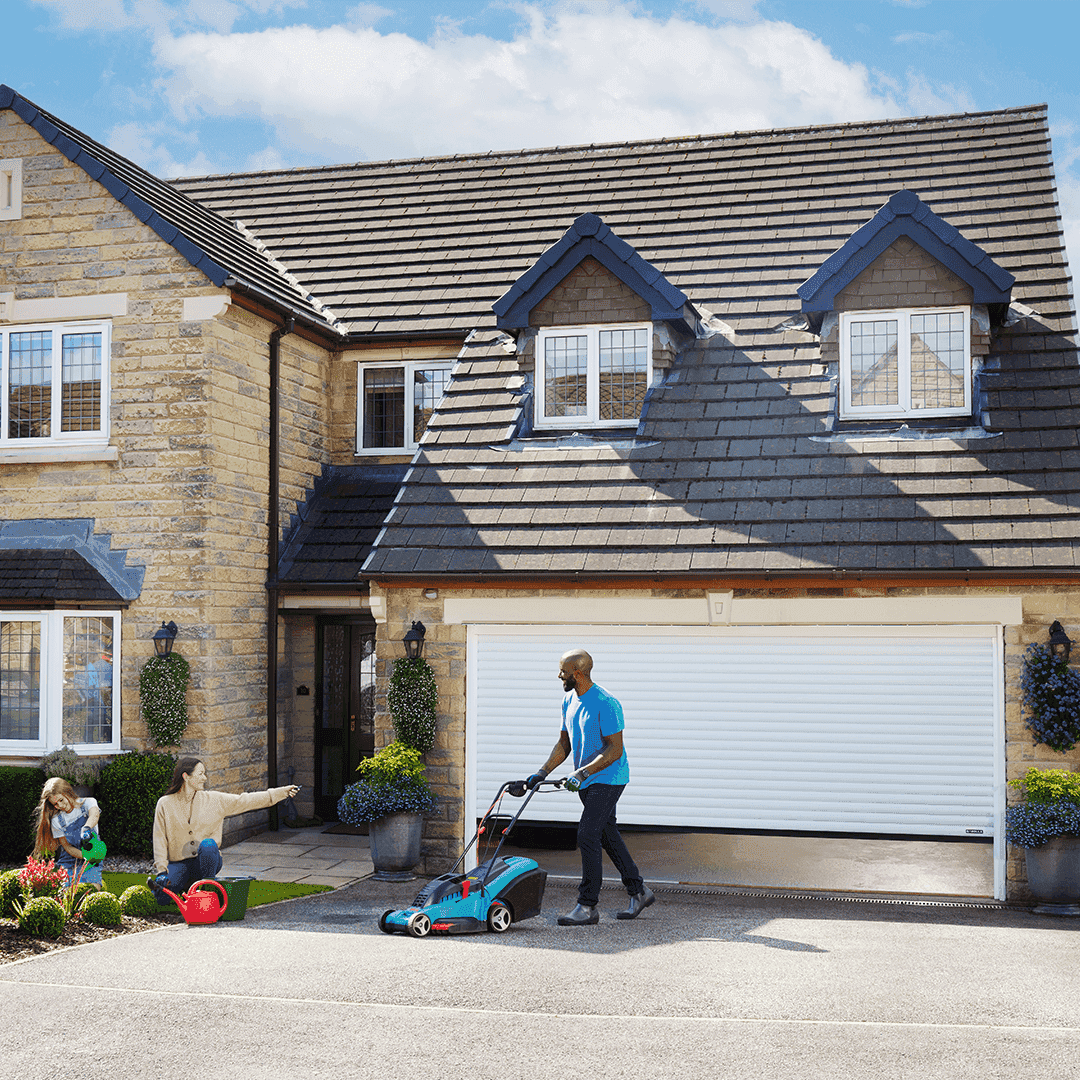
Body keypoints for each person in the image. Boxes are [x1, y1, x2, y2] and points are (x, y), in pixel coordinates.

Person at [526, 649, 655, 925]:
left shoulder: (606, 703)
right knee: (607, 836)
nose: (558, 675)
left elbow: (614, 750)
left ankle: (587, 906)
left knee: (587, 834)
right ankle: (639, 890)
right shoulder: (568, 700)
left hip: (608, 778)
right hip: (585, 780)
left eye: (563, 671)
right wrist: (542, 771)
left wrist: (582, 773)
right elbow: (564, 743)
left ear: (578, 673)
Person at [151, 756, 298, 900]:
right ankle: (186, 886)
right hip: (179, 863)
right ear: (186, 777)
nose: (205, 778)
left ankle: (209, 888)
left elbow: (246, 800)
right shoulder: (165, 803)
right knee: (162, 898)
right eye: (201, 774)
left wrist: (281, 792)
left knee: (208, 845)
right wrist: (162, 871)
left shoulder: (214, 800)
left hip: (206, 860)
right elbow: (159, 839)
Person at [34, 777, 104, 887]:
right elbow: (67, 847)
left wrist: (86, 828)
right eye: (55, 804)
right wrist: (85, 855)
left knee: (91, 889)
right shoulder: (56, 820)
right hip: (69, 860)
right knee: (66, 892)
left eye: (61, 800)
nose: (60, 806)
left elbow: (94, 815)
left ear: (68, 792)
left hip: (92, 858)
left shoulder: (88, 803)